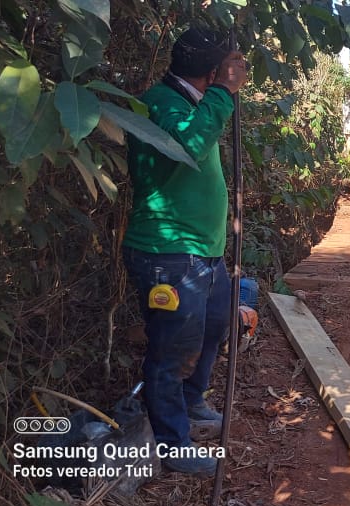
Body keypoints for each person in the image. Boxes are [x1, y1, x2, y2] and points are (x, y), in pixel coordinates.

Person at [121, 27, 248, 476]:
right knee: (170, 351)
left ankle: (192, 402)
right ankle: (173, 445)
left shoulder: (191, 101)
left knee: (217, 322)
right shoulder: (162, 104)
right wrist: (223, 93)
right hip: (169, 253)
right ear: (212, 72)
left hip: (203, 255)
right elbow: (188, 148)